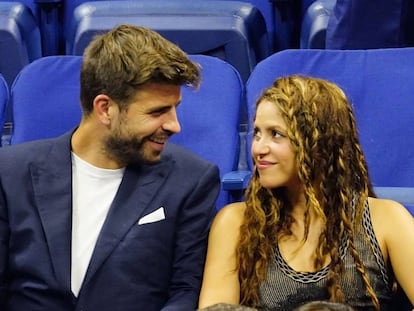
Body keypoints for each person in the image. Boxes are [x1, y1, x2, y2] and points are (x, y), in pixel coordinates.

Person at [0, 24, 220, 310]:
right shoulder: (10, 172)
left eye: (174, 107)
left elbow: (184, 293)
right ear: (105, 108)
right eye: (157, 111)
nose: (174, 125)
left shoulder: (191, 180)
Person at [198, 75, 414, 310]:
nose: (259, 148)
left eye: (276, 134)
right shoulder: (235, 223)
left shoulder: (386, 219)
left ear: (320, 143)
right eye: (257, 133)